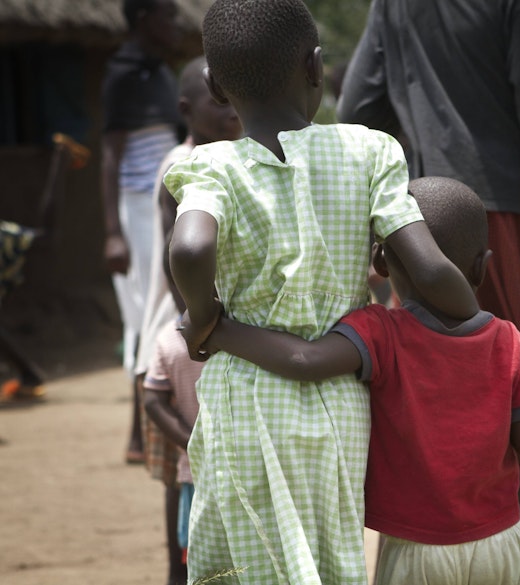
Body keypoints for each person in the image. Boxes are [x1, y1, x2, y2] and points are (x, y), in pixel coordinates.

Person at [163, 1, 480, 583]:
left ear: (213, 82)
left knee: (249, 557)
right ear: (314, 66)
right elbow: (428, 270)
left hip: (246, 393)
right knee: (333, 553)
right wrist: (477, 325)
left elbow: (188, 249)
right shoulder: (370, 152)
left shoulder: (212, 166)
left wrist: (203, 317)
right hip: (342, 396)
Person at [336, 2, 520, 582]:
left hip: (419, 223)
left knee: (425, 388)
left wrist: (397, 205)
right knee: (509, 384)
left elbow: (357, 109)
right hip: (500, 215)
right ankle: (514, 569)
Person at [192, 176, 520, 585]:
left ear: (380, 262)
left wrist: (217, 330)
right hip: (502, 543)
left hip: (418, 553)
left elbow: (304, 359)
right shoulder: (509, 340)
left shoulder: (382, 333)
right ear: (483, 266)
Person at [134, 55, 242, 585]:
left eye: (233, 97)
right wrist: (197, 317)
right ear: (185, 110)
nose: (229, 110)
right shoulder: (179, 164)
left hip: (218, 323)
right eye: (215, 99)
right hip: (184, 327)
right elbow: (174, 254)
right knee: (182, 471)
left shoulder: (242, 155)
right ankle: (179, 571)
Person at [100, 0, 181, 464]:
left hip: (166, 200)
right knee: (146, 315)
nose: (175, 24)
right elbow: (110, 155)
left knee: (161, 310)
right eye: (167, 16)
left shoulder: (162, 73)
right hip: (137, 209)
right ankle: (138, 431)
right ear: (144, 17)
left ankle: (143, 428)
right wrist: (113, 230)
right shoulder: (122, 74)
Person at [143, 315, 203, 585]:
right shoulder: (244, 327)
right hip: (236, 470)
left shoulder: (168, 337)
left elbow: (153, 400)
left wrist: (193, 445)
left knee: (202, 565)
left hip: (193, 469)